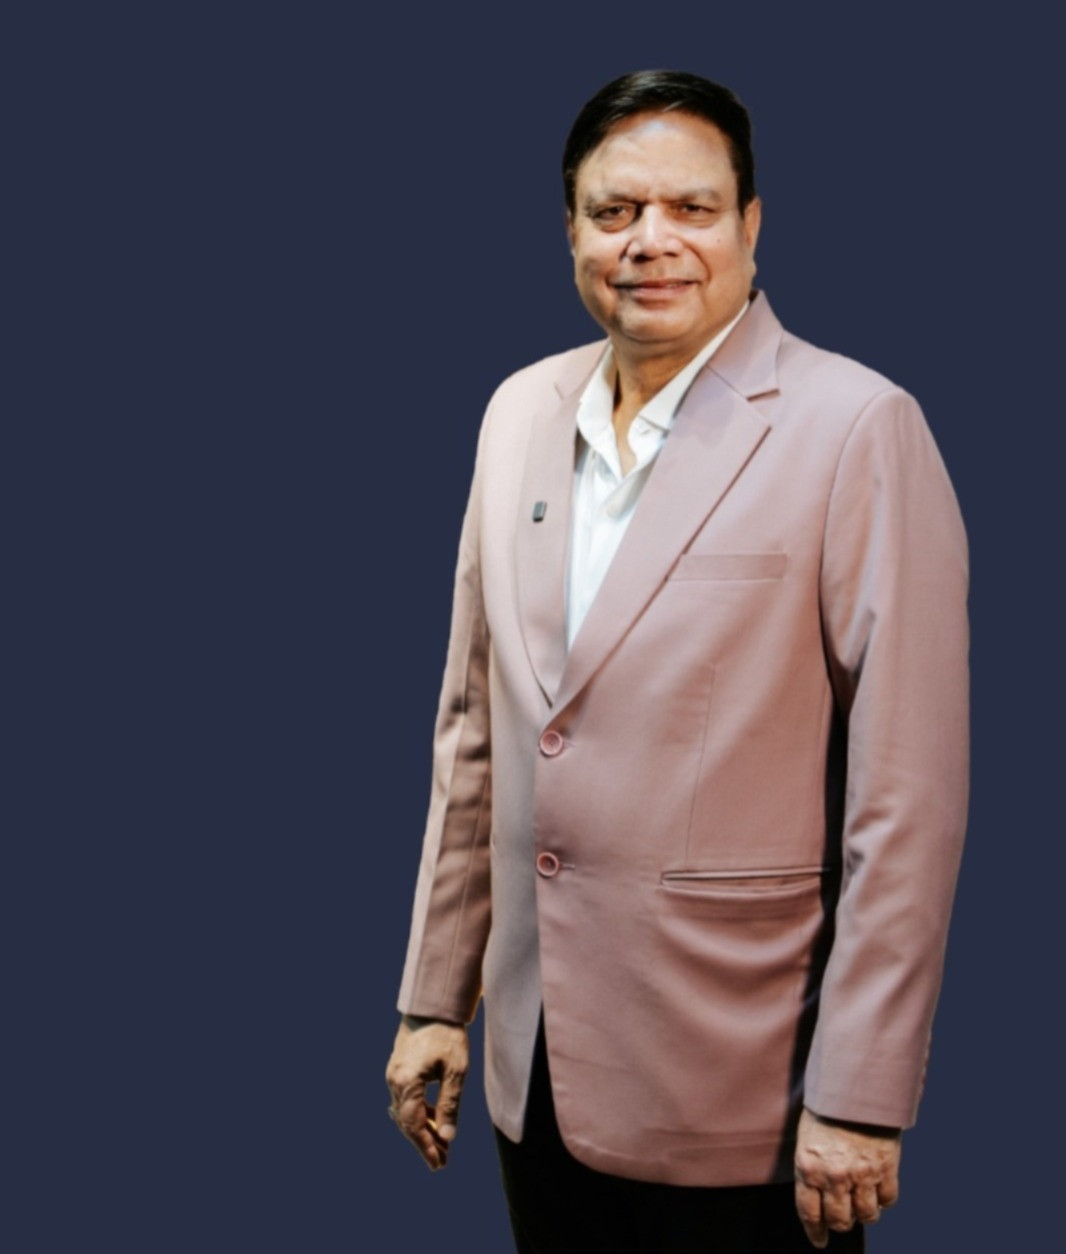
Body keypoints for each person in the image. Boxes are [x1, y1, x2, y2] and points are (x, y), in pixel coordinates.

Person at [385, 69, 968, 1253]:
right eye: (614, 212)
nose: (649, 241)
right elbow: (476, 731)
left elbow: (906, 798)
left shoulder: (856, 427)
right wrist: (436, 997)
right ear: (571, 231)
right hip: (534, 1071)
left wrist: (860, 1094)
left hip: (746, 1085)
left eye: (691, 209)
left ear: (750, 224)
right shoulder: (517, 412)